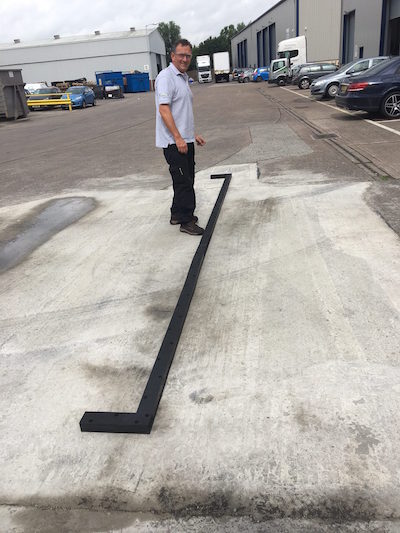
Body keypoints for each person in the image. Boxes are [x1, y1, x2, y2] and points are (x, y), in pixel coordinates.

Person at [155, 39, 206, 236]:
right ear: (172, 56)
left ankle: (177, 214)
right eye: (181, 55)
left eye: (188, 56)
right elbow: (164, 109)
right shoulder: (166, 77)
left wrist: (192, 135)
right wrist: (178, 138)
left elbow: (181, 112)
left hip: (185, 139)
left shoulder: (182, 77)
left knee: (184, 179)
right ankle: (186, 221)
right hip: (174, 143)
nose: (185, 59)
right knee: (185, 182)